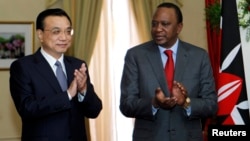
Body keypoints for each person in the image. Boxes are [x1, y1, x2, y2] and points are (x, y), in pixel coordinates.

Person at [120, 2, 218, 141]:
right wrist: (153, 103)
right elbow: (126, 105)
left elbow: (211, 105)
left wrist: (186, 102)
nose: (158, 29)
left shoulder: (199, 57)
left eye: (165, 24)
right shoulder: (135, 56)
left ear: (179, 27)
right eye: (154, 24)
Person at [9, 8, 102, 141]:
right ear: (40, 34)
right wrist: (68, 95)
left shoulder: (77, 65)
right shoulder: (23, 67)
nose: (64, 37)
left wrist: (83, 91)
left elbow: (94, 111)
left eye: (68, 31)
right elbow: (27, 108)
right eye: (56, 31)